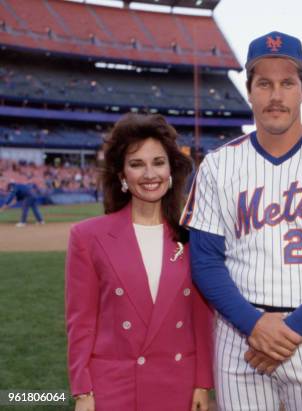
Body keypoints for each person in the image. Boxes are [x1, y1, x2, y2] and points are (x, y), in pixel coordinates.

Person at [181, 31, 302, 411]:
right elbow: (204, 260)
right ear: (250, 90)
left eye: (287, 83)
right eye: (265, 83)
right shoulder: (218, 165)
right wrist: (254, 325)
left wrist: (291, 330)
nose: (276, 95)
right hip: (240, 334)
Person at [65, 114, 214, 411]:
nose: (150, 174)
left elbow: (202, 319)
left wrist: (202, 383)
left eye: (158, 162)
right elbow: (81, 322)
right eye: (136, 164)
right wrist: (82, 391)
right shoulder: (86, 236)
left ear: (171, 169)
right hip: (112, 387)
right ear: (122, 174)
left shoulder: (194, 236)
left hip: (178, 384)